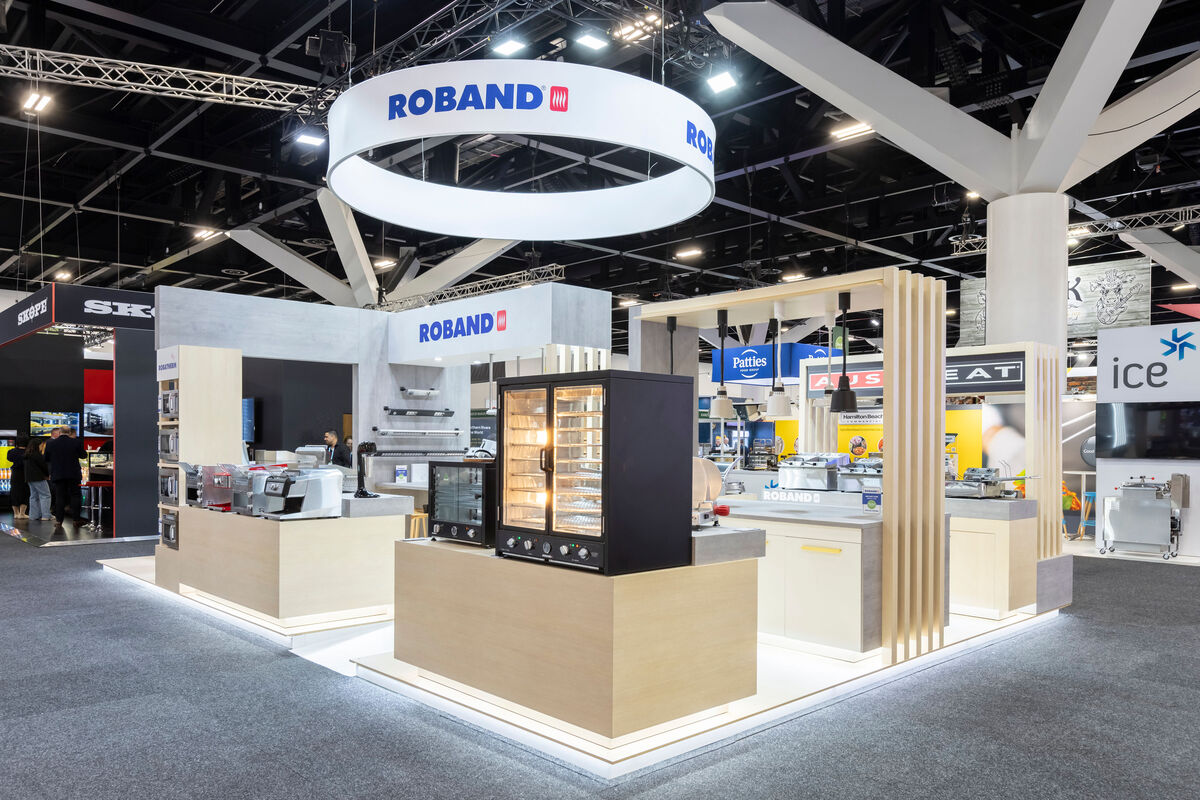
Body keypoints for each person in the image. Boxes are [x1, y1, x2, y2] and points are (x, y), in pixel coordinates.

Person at [44, 426, 86, 525]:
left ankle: (59, 520)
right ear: (69, 432)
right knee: (75, 495)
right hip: (73, 473)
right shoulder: (76, 442)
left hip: (58, 473)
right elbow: (83, 455)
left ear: (60, 432)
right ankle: (76, 519)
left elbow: (46, 458)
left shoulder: (51, 443)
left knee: (60, 496)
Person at [24, 438, 51, 522]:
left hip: (29, 478)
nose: (42, 447)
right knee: (46, 495)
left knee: (33, 496)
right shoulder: (37, 455)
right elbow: (44, 466)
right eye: (41, 445)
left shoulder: (27, 455)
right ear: (37, 445)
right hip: (39, 478)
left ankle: (33, 515)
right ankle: (46, 515)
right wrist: (47, 475)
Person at [9, 436, 29, 519]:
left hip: (15, 473)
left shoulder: (11, 451)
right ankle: (22, 513)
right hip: (26, 473)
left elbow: (9, 459)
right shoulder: (28, 452)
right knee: (25, 492)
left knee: (14, 492)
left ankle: (16, 513)